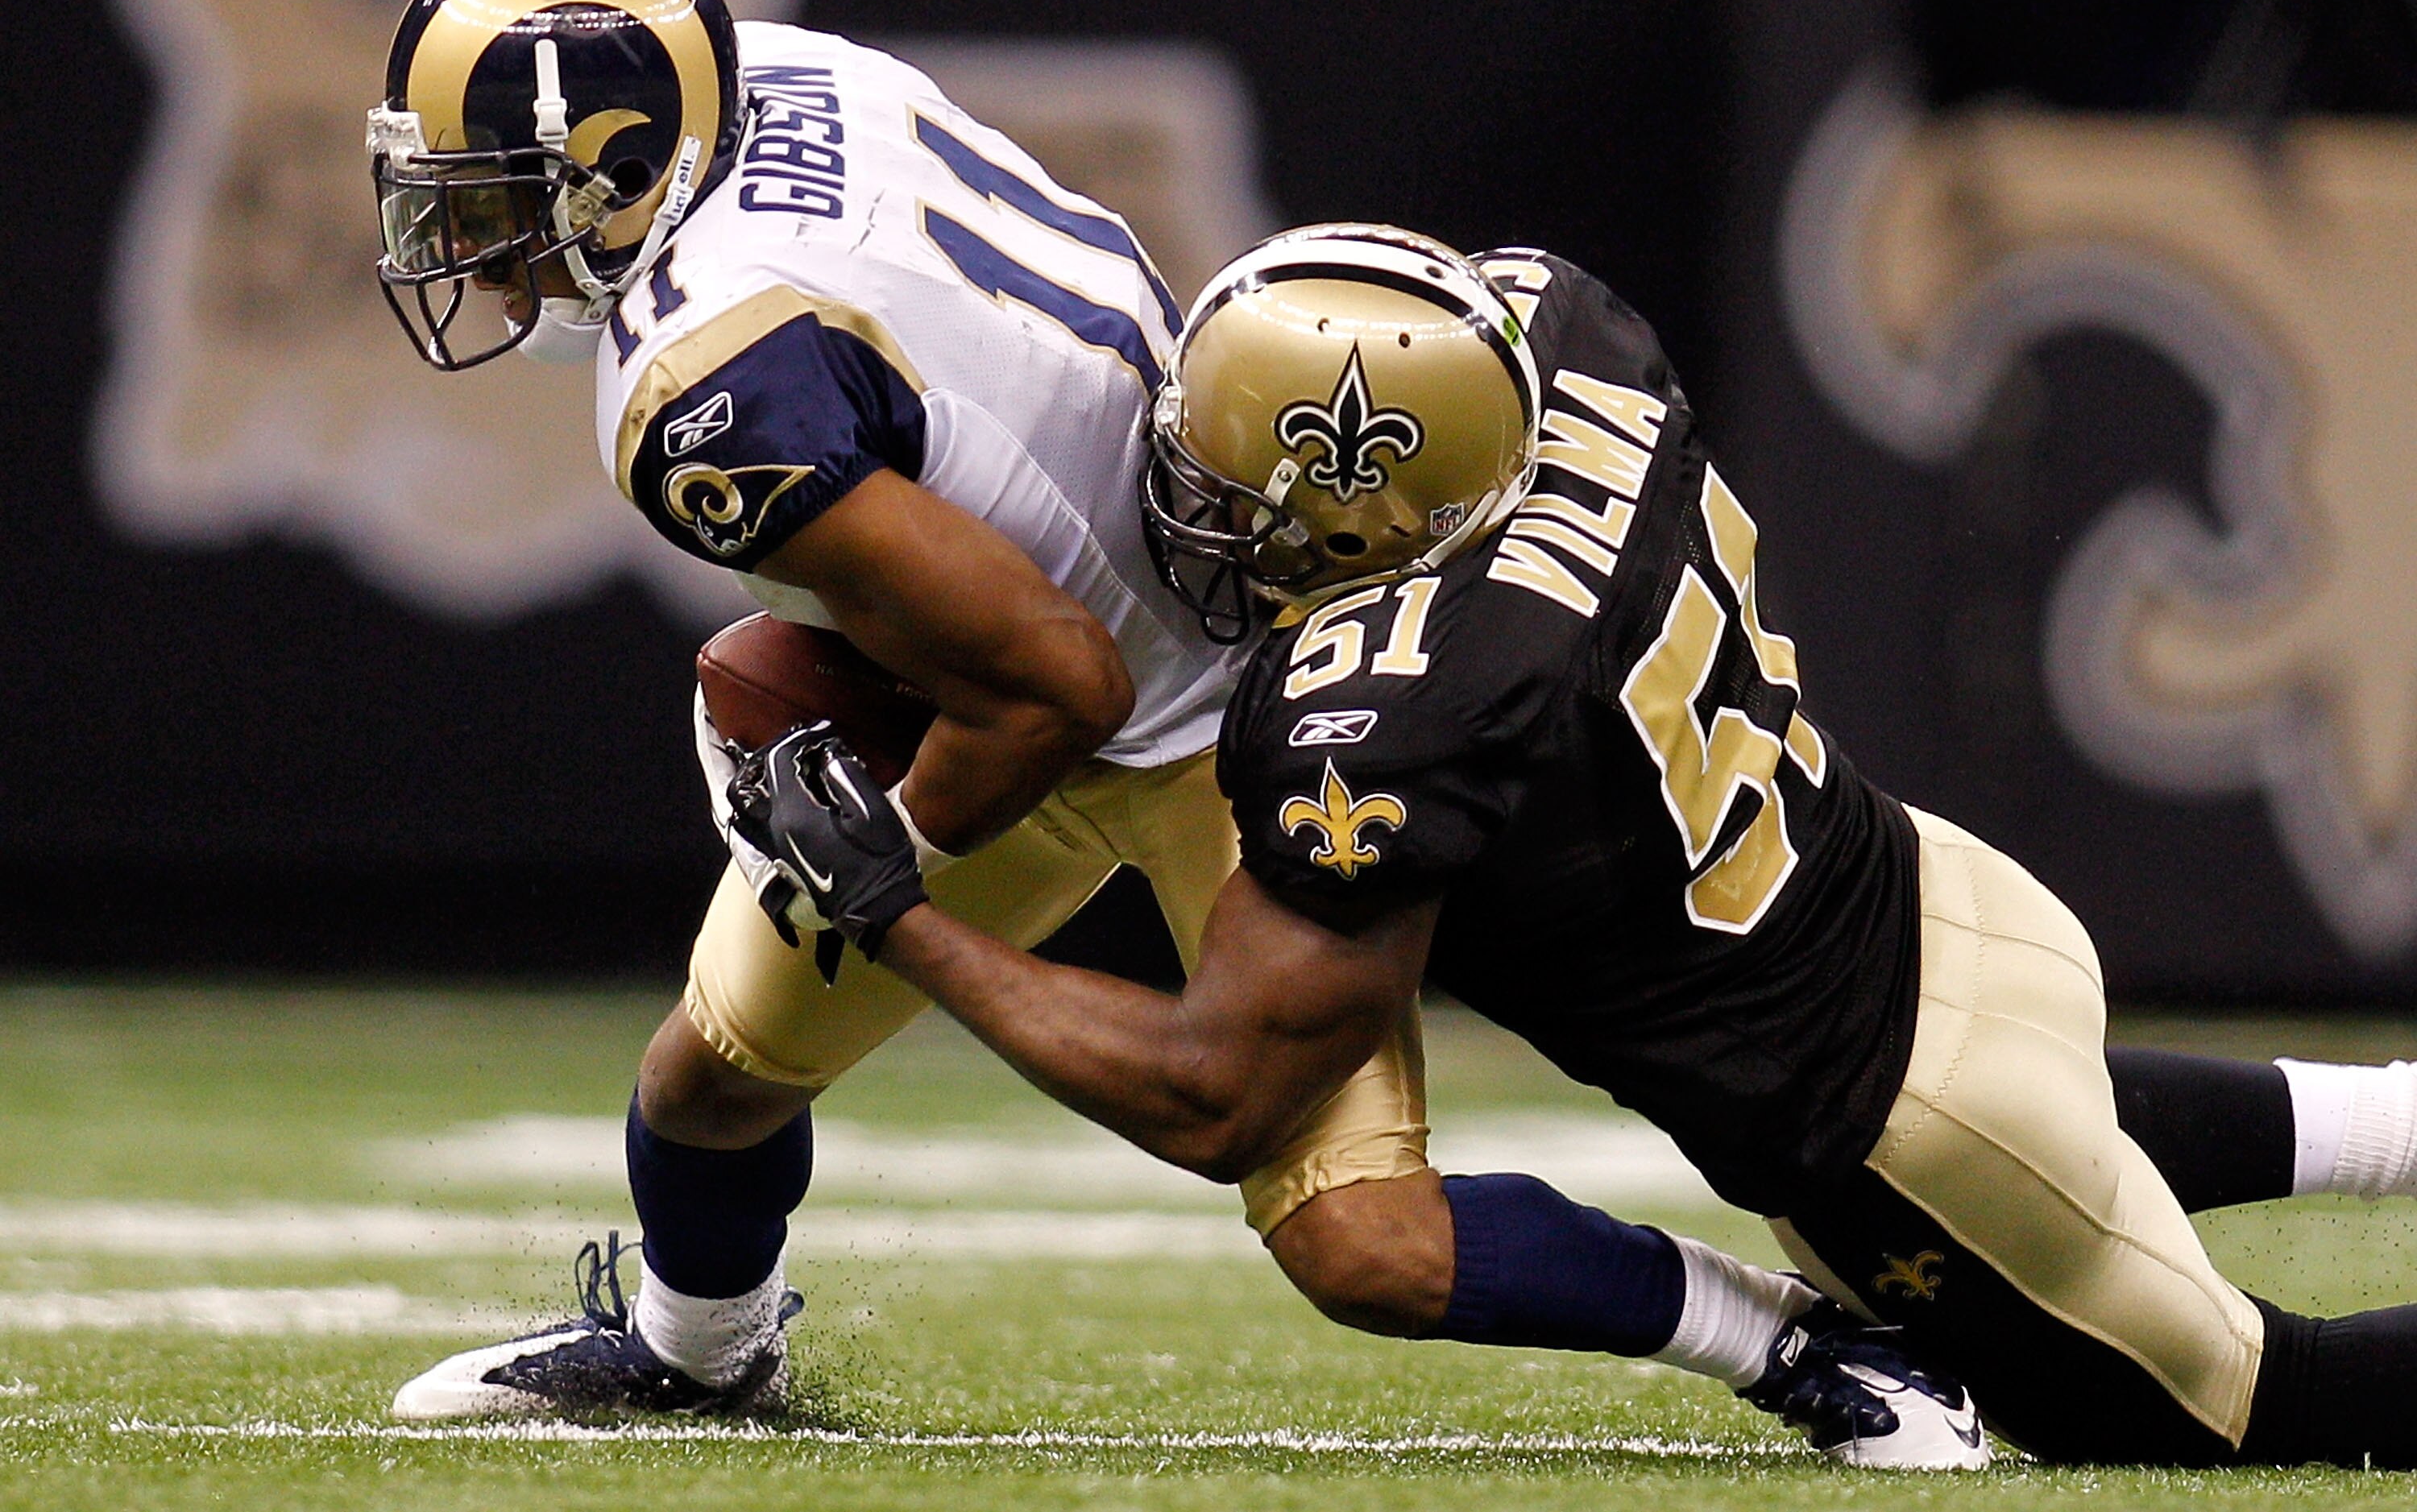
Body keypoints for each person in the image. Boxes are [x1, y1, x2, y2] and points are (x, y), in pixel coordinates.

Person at [360, 0, 1981, 1461]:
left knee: (1366, 1238)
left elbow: (1048, 687)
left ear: (625, 166)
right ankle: (697, 1348)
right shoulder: (773, 71)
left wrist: (882, 856)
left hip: (1209, 696)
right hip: (1111, 579)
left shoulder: (697, 383)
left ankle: (1799, 1339)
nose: (465, 241)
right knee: (712, 1069)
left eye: (492, 197)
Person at [733, 222, 2417, 1467]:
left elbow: (1216, 1091)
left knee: (2264, 1404)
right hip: (1939, 905)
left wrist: (898, 910)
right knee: (2091, 1127)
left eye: (1230, 498)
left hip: (1904, 1127)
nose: (1190, 518)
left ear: (1369, 515)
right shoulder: (1566, 334)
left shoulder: (1396, 712)